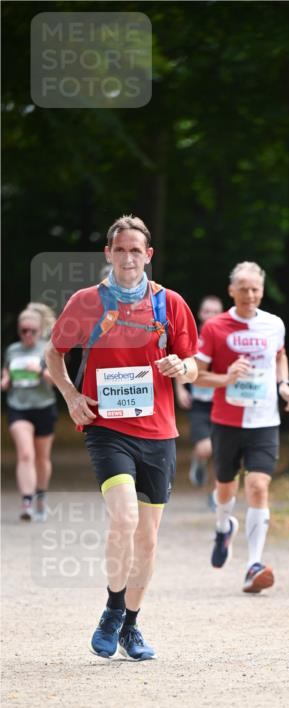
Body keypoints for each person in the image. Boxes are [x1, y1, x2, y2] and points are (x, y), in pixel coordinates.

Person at [45, 214, 199, 661]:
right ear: (108, 254)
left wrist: (181, 369)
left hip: (159, 433)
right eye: (121, 249)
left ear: (147, 256)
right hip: (108, 430)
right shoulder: (87, 302)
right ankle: (113, 610)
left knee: (148, 539)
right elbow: (54, 353)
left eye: (137, 250)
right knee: (124, 519)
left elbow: (193, 362)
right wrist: (71, 395)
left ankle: (131, 624)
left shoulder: (169, 304)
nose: (129, 257)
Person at [195, 262, 289, 593]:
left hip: (265, 421)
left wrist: (285, 385)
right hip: (226, 420)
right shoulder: (214, 328)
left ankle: (253, 564)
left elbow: (280, 356)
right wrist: (226, 378)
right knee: (225, 487)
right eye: (243, 289)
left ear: (262, 291)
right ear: (231, 291)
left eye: (255, 289)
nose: (250, 295)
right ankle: (224, 526)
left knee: (257, 486)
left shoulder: (274, 324)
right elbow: (196, 373)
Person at [2, 308, 58, 521]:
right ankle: (27, 502)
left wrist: (40, 372)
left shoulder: (47, 350)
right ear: (19, 330)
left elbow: (57, 381)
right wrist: (5, 381)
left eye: (32, 331)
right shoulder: (12, 351)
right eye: (24, 330)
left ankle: (41, 497)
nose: (27, 335)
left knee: (42, 458)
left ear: (40, 330)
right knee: (25, 454)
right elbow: (6, 373)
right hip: (18, 407)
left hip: (44, 406)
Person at [174, 295, 223, 490]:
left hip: (223, 402)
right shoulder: (193, 339)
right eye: (207, 311)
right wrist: (180, 390)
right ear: (200, 314)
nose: (211, 315)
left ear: (221, 314)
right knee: (206, 448)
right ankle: (199, 460)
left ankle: (218, 494)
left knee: (222, 450)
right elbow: (180, 364)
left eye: (215, 311)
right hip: (200, 403)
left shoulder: (226, 339)